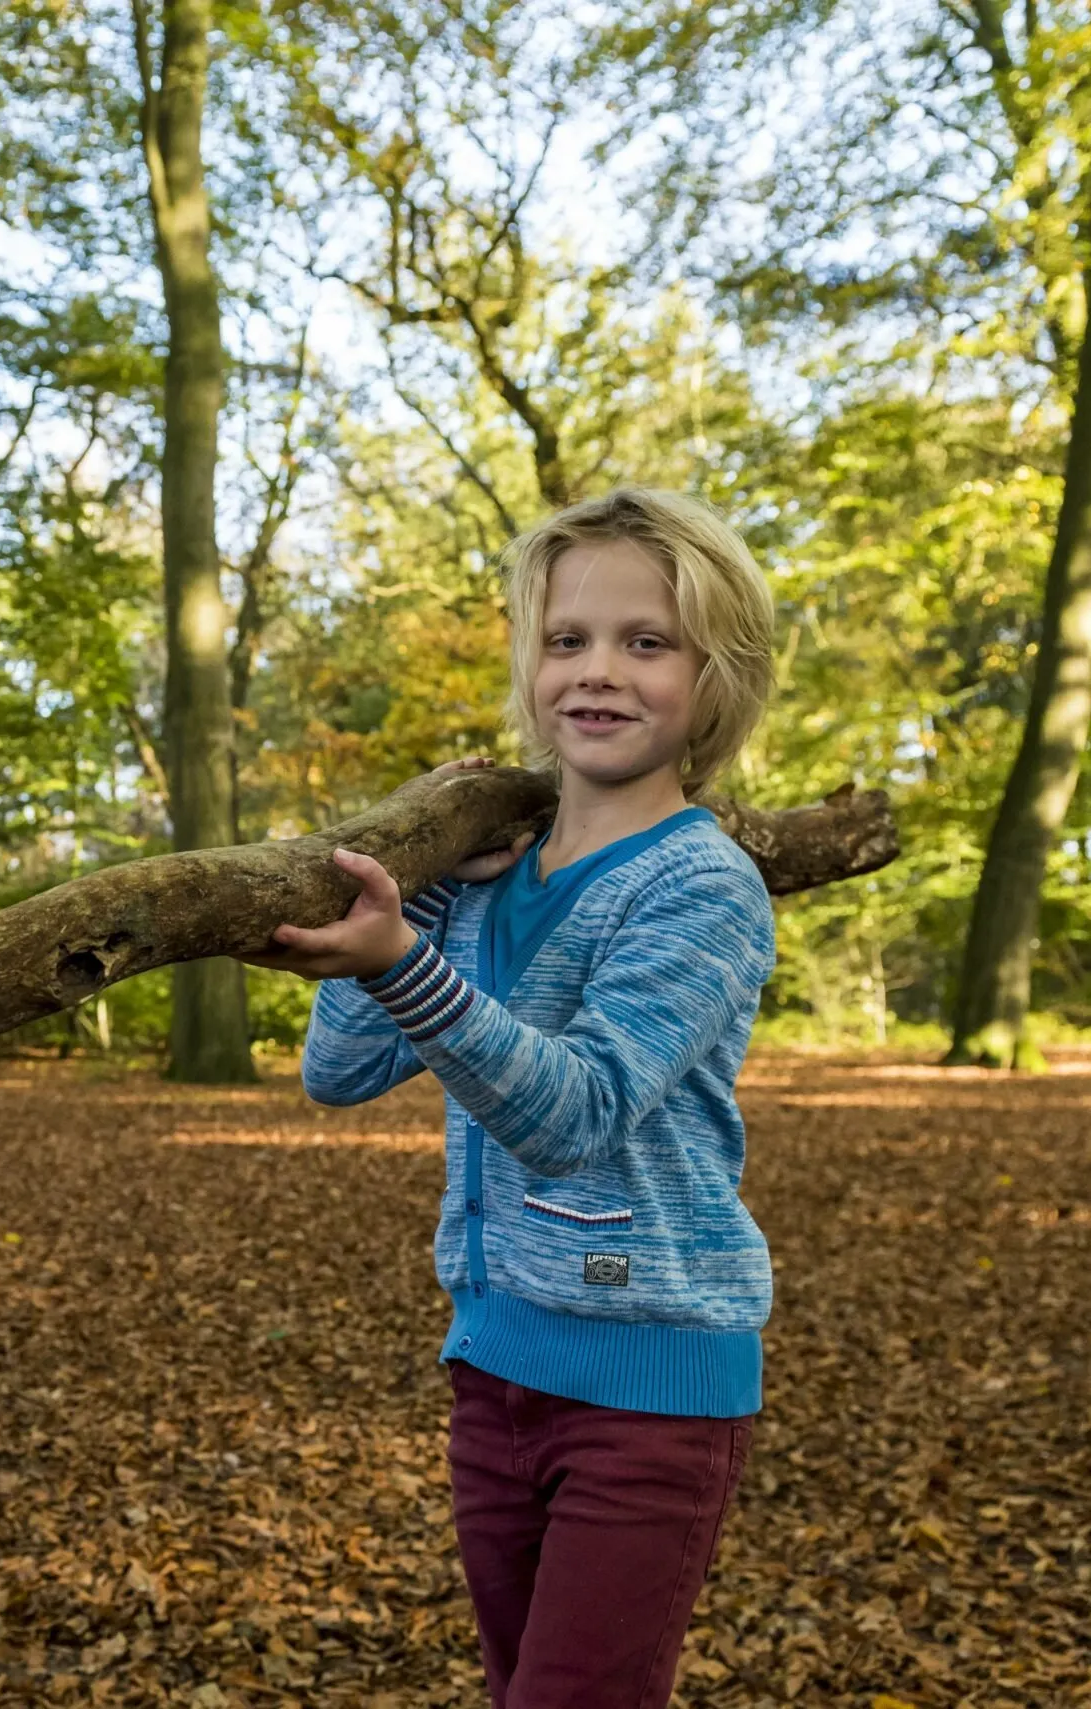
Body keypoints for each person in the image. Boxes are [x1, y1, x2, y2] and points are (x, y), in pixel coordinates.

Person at [242, 487, 779, 1709]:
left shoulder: (702, 883)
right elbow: (337, 1071)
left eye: (647, 642)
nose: (598, 671)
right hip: (492, 1374)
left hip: (648, 1386)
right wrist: (422, 897)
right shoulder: (486, 885)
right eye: (565, 639)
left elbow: (575, 1110)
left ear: (716, 674)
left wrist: (401, 962)